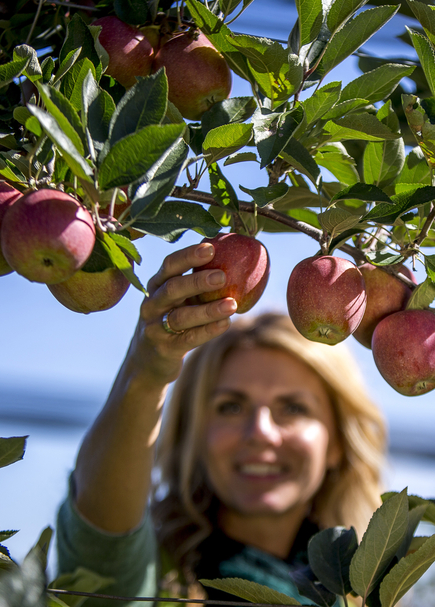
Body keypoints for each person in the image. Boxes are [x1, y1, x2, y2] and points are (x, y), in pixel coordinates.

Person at [55, 242, 387, 607]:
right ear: (193, 433)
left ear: (337, 442)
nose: (260, 432)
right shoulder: (159, 578)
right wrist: (146, 373)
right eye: (231, 407)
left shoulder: (365, 592)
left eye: (293, 408)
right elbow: (102, 542)